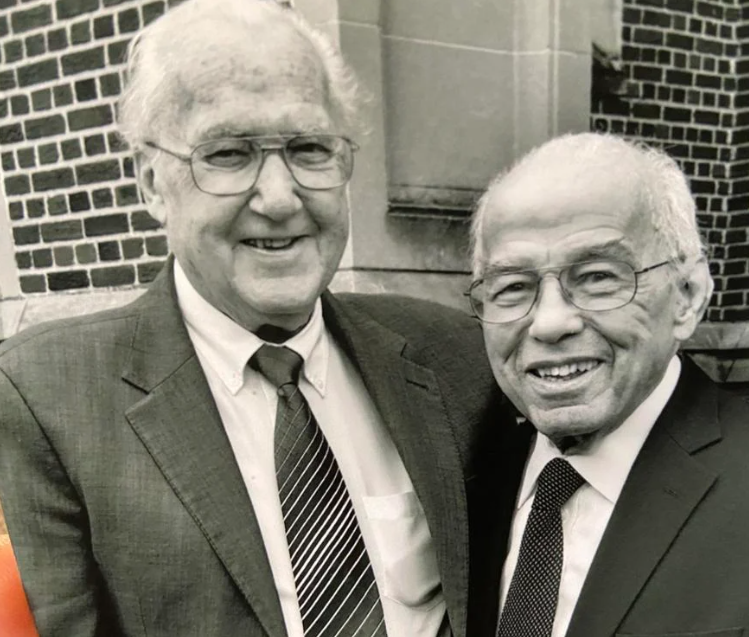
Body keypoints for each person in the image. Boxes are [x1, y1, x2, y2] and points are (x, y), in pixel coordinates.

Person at [0, 1, 506, 635]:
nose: (278, 198)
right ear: (153, 184)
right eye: (230, 154)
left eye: (310, 148)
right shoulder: (48, 394)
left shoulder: (453, 353)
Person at [466, 132, 749, 637]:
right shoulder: (463, 479)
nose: (549, 323)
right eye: (512, 287)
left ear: (687, 296)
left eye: (598, 277)